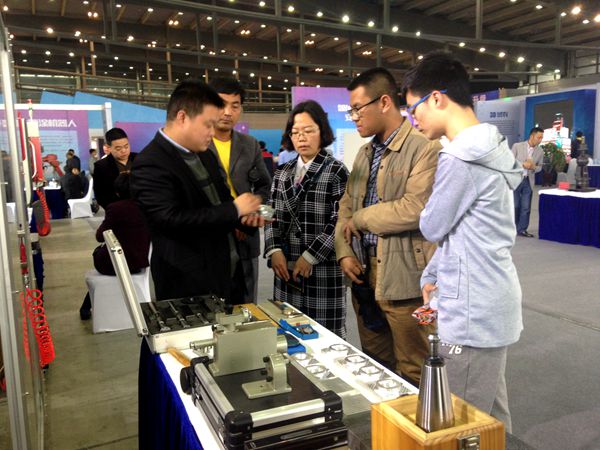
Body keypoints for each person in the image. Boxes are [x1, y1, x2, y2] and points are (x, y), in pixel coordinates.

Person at [402, 50, 523, 432]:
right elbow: (461, 233)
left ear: (437, 98)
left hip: (473, 310)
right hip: (488, 297)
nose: (413, 119)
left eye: (413, 108)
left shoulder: (460, 157)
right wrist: (432, 275)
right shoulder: (489, 148)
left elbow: (432, 225)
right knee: (492, 419)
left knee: (458, 426)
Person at [334, 67, 440, 385]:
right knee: (375, 367)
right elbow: (345, 207)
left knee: (415, 370)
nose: (354, 117)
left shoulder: (424, 148)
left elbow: (415, 209)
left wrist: (361, 219)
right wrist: (343, 252)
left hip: (405, 280)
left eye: (358, 108)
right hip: (364, 277)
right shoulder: (364, 154)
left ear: (384, 102)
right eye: (351, 111)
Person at [130, 80, 265, 303]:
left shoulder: (204, 155)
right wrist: (234, 210)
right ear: (182, 117)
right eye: (208, 124)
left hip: (228, 270)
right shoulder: (151, 163)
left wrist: (244, 219)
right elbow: (170, 220)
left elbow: (221, 201)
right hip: (189, 282)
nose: (213, 132)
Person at [265, 100, 349, 337]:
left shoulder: (336, 171)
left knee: (326, 337)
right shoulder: (282, 172)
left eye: (309, 130)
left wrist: (310, 256)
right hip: (286, 267)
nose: (301, 137)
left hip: (322, 269)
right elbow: (270, 212)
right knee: (288, 335)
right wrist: (274, 250)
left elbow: (339, 220)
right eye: (295, 132)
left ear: (322, 132)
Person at [209, 78, 272, 303]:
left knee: (246, 303)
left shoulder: (249, 144)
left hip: (246, 235)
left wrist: (254, 212)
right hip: (211, 236)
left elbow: (265, 185)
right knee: (213, 303)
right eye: (221, 104)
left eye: (235, 106)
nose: (228, 112)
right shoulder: (198, 143)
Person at [79, 173, 150, 320]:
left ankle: (86, 307)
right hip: (139, 262)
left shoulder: (115, 208)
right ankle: (85, 307)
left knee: (99, 254)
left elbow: (100, 236)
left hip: (114, 264)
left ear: (117, 192)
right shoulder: (147, 206)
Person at [511, 127, 544, 237]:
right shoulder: (517, 146)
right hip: (516, 180)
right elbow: (509, 162)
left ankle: (522, 229)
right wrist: (522, 164)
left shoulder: (540, 151)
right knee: (515, 206)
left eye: (541, 138)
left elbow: (540, 167)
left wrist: (534, 167)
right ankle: (513, 228)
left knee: (526, 207)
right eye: (538, 137)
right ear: (531, 136)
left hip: (528, 181)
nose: (540, 140)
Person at [93, 128, 137, 210]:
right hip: (117, 210)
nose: (124, 150)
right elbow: (100, 195)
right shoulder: (101, 166)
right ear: (109, 148)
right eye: (118, 148)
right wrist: (114, 209)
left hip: (143, 209)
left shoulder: (139, 159)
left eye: (126, 146)